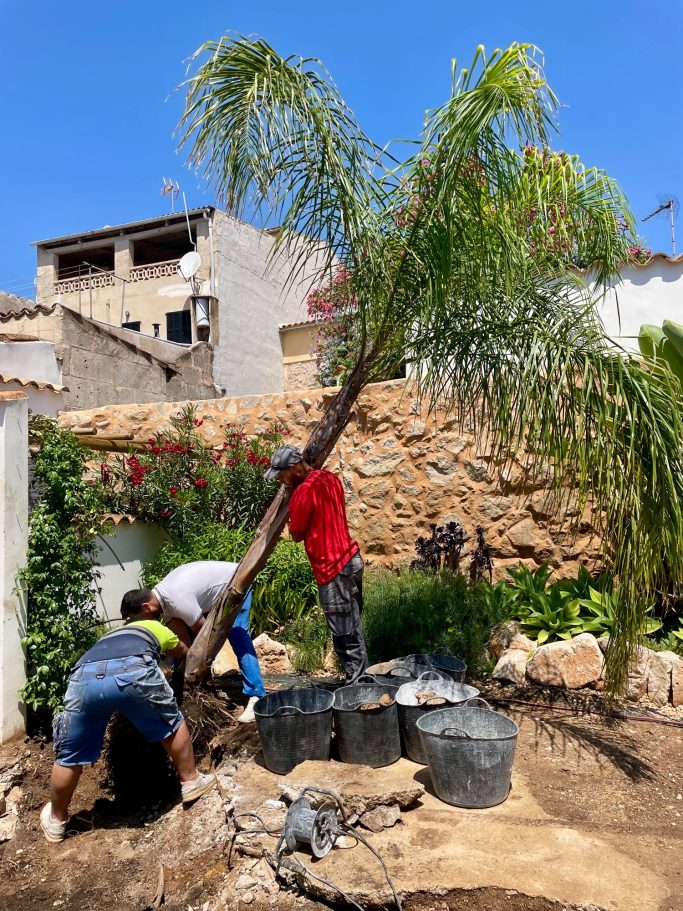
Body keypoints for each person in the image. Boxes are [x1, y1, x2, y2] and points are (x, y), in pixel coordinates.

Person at [40, 590, 215, 844]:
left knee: (69, 755)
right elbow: (182, 651)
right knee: (171, 724)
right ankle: (191, 781)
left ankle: (56, 821)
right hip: (131, 673)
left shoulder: (109, 635)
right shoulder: (155, 627)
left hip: (82, 680)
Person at [265, 445, 369, 682]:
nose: (281, 481)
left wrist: (293, 497)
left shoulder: (301, 494)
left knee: (344, 634)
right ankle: (360, 680)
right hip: (352, 562)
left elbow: (297, 533)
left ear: (293, 468)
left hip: (332, 569)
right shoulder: (330, 478)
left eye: (281, 475)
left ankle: (358, 686)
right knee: (352, 626)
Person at [136, 561, 266, 724]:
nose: (146, 621)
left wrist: (202, 667)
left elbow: (206, 636)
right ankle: (196, 687)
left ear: (146, 607)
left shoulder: (178, 599)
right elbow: (183, 645)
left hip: (236, 580)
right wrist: (180, 681)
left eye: (142, 617)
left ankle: (257, 696)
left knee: (238, 635)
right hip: (215, 594)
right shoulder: (163, 604)